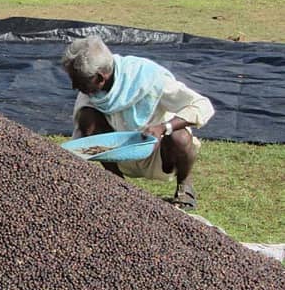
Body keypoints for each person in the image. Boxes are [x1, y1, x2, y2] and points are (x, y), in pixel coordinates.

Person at [61, 35, 214, 210]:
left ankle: (184, 186)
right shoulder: (90, 93)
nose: (74, 86)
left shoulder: (148, 78)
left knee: (180, 137)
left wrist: (164, 127)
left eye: (79, 81)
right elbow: (81, 142)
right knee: (86, 117)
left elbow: (203, 105)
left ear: (100, 77)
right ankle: (117, 184)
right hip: (116, 153)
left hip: (158, 151)